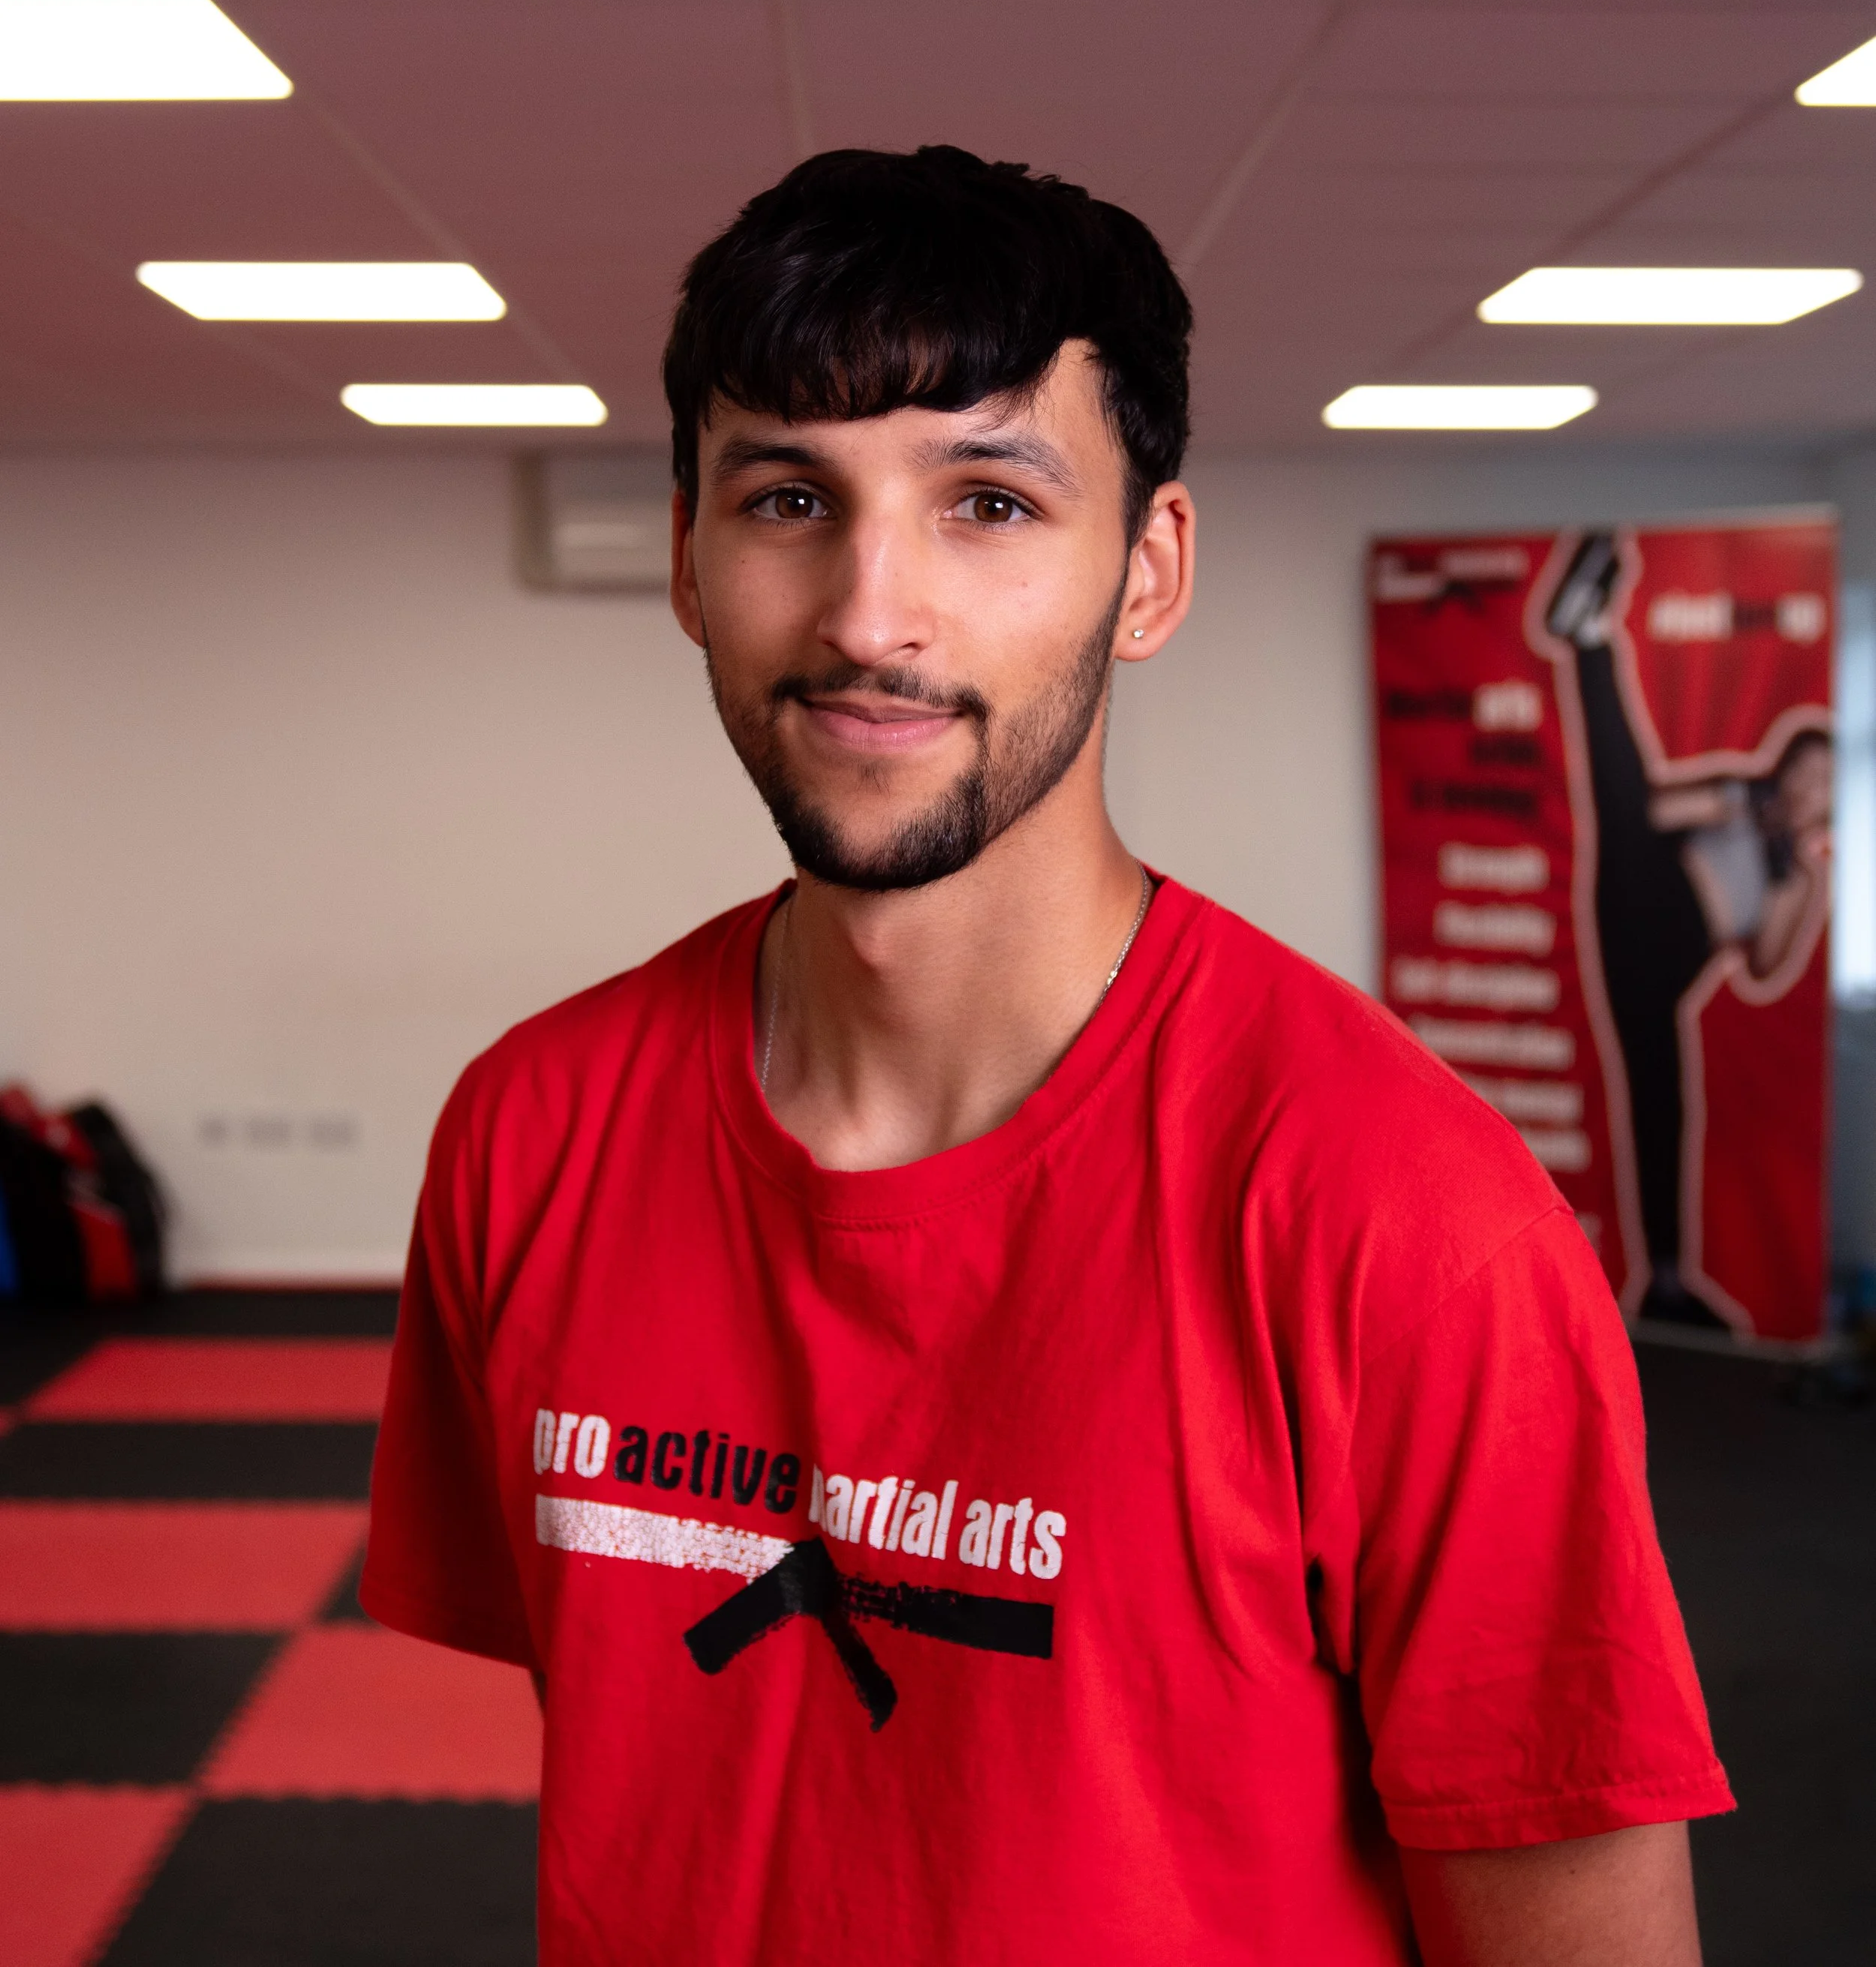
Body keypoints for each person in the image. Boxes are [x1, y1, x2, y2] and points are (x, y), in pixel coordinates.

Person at [363, 147, 1729, 1965]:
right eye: (787, 498)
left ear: (1146, 573)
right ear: (688, 556)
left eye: (988, 504)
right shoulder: (527, 1130)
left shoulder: (1414, 1229)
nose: (869, 614)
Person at [1544, 531, 1833, 1326]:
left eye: (1822, 782)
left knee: (1661, 1096)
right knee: (1625, 808)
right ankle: (1592, 636)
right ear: (1784, 770)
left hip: (1671, 960)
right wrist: (1735, 804)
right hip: (1644, 889)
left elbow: (1764, 967)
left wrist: (1797, 881)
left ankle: (1665, 1281)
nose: (1806, 787)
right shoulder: (1741, 791)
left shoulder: (1802, 874)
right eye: (1801, 771)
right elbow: (1652, 811)